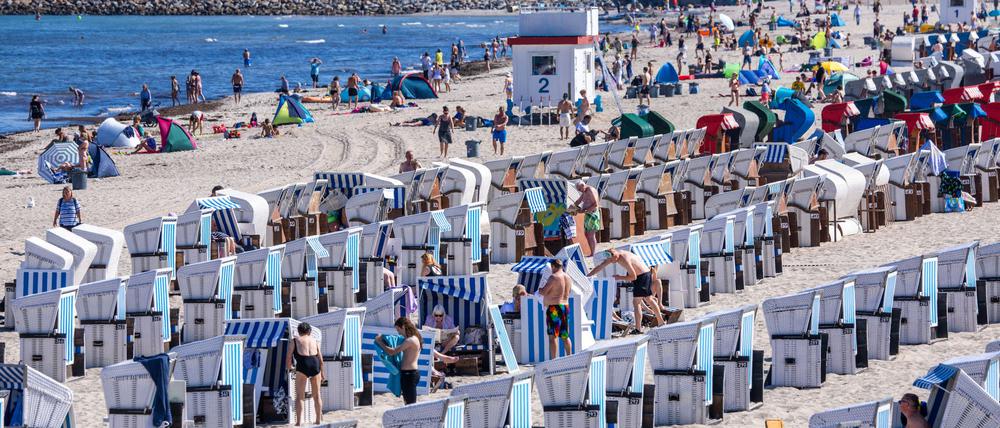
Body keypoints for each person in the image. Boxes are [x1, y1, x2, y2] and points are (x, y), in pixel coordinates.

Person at [589, 249, 664, 333]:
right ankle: (658, 322)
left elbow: (633, 277)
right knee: (646, 299)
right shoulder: (612, 255)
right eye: (610, 260)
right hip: (641, 275)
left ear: (616, 256)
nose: (612, 262)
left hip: (642, 276)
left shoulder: (624, 258)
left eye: (613, 260)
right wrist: (588, 276)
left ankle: (641, 328)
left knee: (639, 302)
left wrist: (619, 277)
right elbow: (600, 266)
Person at [374, 318, 422, 404]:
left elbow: (392, 352)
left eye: (398, 330)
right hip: (409, 374)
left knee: (411, 404)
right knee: (408, 402)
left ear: (403, 327)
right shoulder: (412, 338)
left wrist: (380, 342)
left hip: (410, 374)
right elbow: (395, 340)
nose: (398, 333)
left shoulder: (410, 340)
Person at [285, 322, 323, 426]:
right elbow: (320, 359)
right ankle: (318, 420)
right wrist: (322, 373)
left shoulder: (295, 340)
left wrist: (290, 368)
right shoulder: (314, 340)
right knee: (317, 395)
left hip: (302, 365)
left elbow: (288, 356)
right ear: (309, 331)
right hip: (315, 364)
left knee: (300, 396)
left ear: (299, 331)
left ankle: (298, 422)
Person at [539, 259, 572, 360]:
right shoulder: (568, 278)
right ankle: (570, 357)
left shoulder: (554, 277)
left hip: (554, 308)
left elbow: (544, 292)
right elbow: (569, 292)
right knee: (565, 335)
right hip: (565, 307)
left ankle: (553, 360)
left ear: (553, 266)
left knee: (553, 336)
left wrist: (540, 289)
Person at [572, 180, 602, 251]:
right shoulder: (585, 191)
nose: (580, 191)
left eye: (580, 189)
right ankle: (592, 251)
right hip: (588, 215)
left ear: (583, 185)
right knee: (587, 234)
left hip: (592, 215)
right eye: (578, 190)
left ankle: (593, 252)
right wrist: (571, 208)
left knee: (591, 235)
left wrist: (584, 211)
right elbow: (578, 201)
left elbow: (595, 204)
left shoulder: (590, 190)